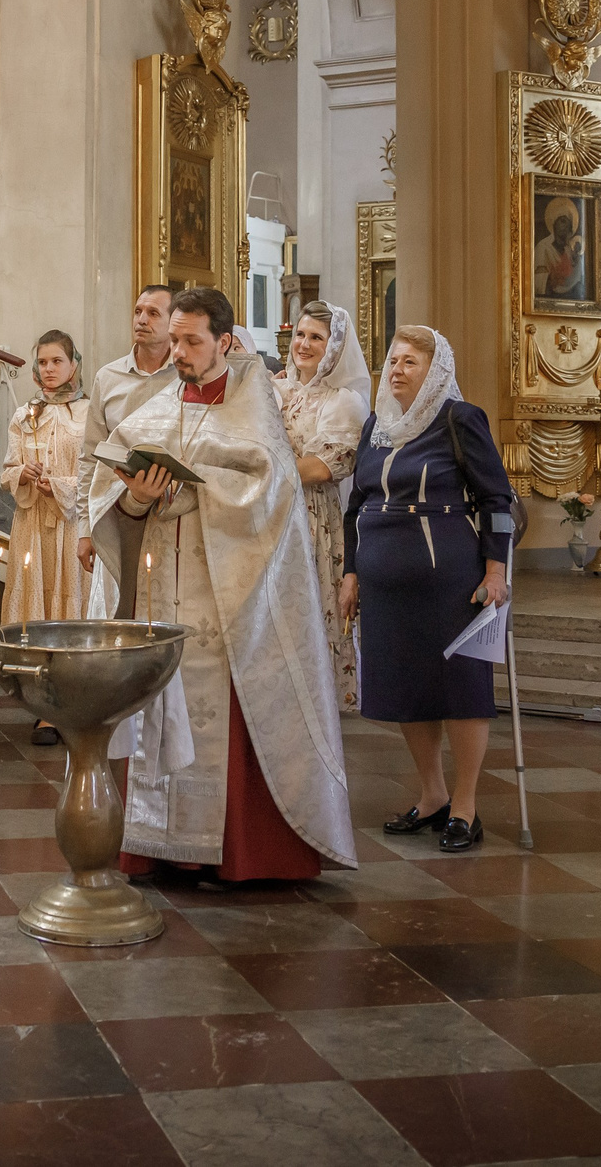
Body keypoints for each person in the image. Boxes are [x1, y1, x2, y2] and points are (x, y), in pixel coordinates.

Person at [90, 286, 355, 882]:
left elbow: (270, 498)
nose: (178, 351)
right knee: (158, 712)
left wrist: (193, 492)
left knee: (224, 723)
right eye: (175, 339)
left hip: (226, 607)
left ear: (224, 342)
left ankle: (233, 855)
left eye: (191, 340)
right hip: (164, 599)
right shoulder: (155, 409)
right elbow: (114, 503)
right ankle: (156, 845)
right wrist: (137, 498)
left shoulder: (252, 411)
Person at [338, 326, 514, 854]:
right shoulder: (377, 425)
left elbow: (496, 501)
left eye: (409, 361)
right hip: (385, 583)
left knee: (459, 691)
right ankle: (432, 795)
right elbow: (356, 505)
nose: (395, 370)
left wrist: (496, 571)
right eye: (392, 360)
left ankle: (465, 806)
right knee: (408, 691)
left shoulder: (461, 419)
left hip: (452, 580)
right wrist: (351, 573)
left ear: (435, 370)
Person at [275, 303, 372, 712]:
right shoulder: (276, 389)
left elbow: (320, 468)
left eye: (317, 337)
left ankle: (314, 705)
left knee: (310, 610)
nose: (304, 344)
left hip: (312, 517)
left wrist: (263, 470)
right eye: (300, 334)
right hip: (269, 512)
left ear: (335, 347)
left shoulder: (344, 402)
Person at [2, 330, 89, 745]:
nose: (48, 369)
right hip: (34, 525)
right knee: (38, 609)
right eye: (42, 362)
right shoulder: (24, 414)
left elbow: (99, 474)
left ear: (74, 364)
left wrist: (61, 485)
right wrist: (24, 474)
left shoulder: (90, 413)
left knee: (73, 606)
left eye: (57, 361)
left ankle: (78, 701)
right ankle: (45, 708)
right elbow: (6, 470)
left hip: (73, 524)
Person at [74, 284, 179, 616]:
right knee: (119, 605)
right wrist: (85, 529)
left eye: (152, 313)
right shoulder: (109, 377)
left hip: (171, 509)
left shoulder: (185, 377)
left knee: (162, 605)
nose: (141, 320)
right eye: (137, 311)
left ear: (173, 322)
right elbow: (90, 455)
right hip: (115, 507)